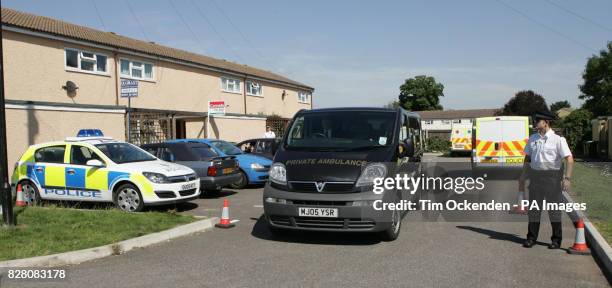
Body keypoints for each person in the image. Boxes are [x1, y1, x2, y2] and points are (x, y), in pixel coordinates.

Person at [519, 110, 573, 249]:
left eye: (537, 121)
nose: (535, 123)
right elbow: (528, 158)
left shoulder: (558, 139)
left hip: (552, 179)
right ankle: (531, 238)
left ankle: (556, 240)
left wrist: (567, 178)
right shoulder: (533, 138)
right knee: (534, 210)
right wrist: (523, 175)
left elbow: (569, 159)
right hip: (535, 177)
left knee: (553, 210)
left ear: (546, 122)